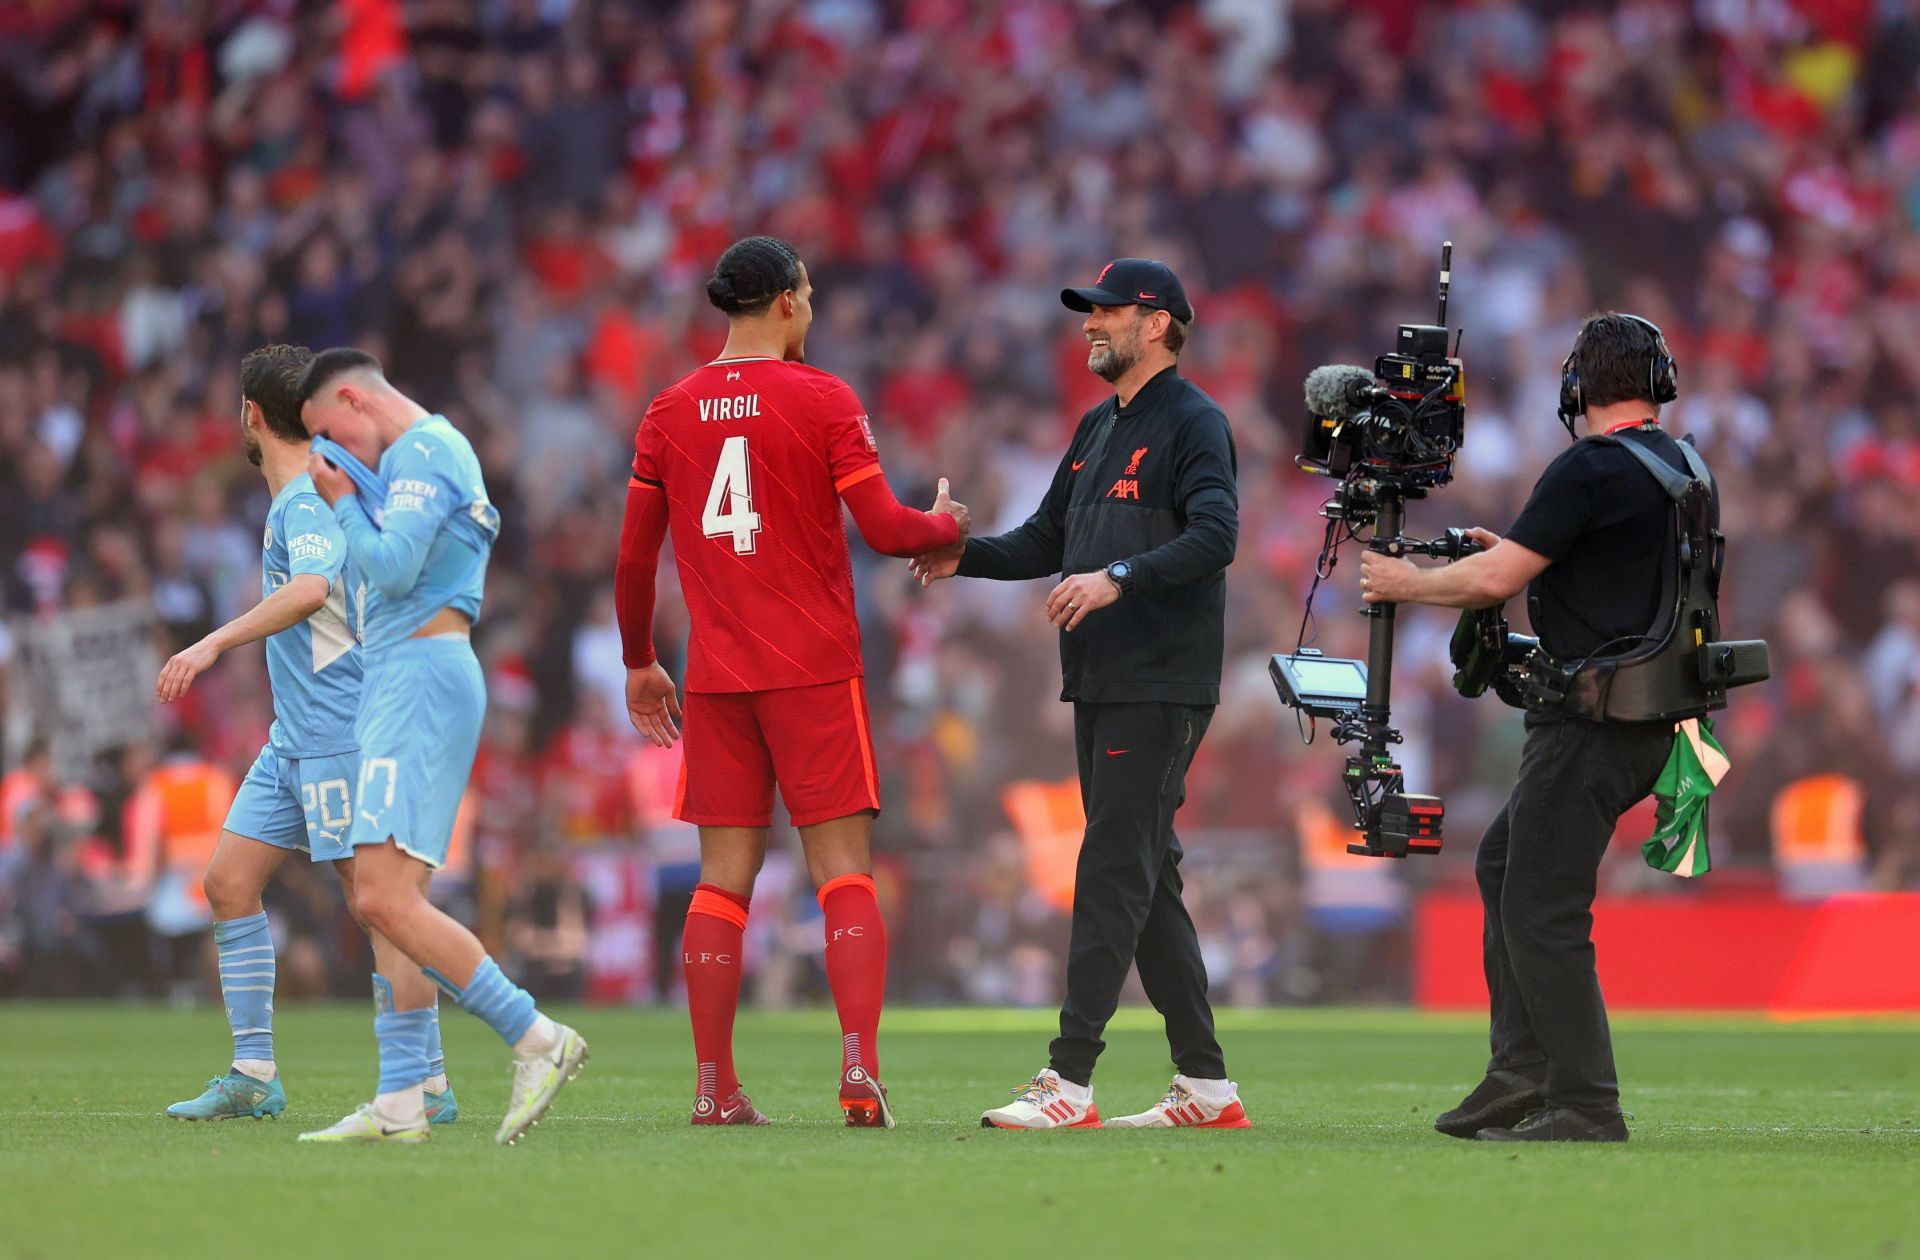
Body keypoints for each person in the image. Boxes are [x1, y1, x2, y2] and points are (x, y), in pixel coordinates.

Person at [615, 235, 967, 1128]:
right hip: (812, 668)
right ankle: (858, 1074)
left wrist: (638, 661)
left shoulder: (669, 408)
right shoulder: (823, 398)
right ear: (782, 302)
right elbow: (886, 529)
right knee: (843, 873)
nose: (810, 312)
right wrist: (944, 524)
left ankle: (712, 1089)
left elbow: (633, 557)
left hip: (718, 677)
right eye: (806, 297)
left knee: (721, 882)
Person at [910, 258, 1249, 1131]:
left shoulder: (1196, 422)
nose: (1090, 325)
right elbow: (1046, 537)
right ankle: (1207, 1087)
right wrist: (963, 554)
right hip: (1102, 679)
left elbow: (1217, 535)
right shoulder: (1099, 425)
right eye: (1088, 313)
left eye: (1108, 312)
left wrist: (1119, 578)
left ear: (1160, 322)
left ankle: (1068, 1081)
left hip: (1163, 680)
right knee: (1145, 874)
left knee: (1109, 866)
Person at [1357, 312, 1706, 1143]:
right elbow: (1605, 572)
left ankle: (1584, 1100)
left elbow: (1501, 578)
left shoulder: (1589, 467)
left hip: (1590, 719)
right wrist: (1503, 553)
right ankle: (1518, 1071)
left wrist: (1404, 579)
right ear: (1656, 380)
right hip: (1650, 718)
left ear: (1577, 386)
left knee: (1543, 909)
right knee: (1505, 862)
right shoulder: (1683, 466)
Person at [157, 344, 459, 1125]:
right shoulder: (332, 483)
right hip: (294, 738)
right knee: (228, 881)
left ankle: (425, 1081)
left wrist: (213, 642)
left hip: (337, 734)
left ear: (252, 416)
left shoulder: (301, 499)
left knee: (376, 906)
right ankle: (253, 1072)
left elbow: (313, 586)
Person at [297, 347, 585, 1146]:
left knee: (381, 897)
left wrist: (342, 503)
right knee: (395, 907)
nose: (336, 458)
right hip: (409, 676)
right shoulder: (415, 458)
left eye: (332, 436)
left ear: (355, 401)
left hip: (420, 679)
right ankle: (400, 1100)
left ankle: (535, 1037)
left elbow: (391, 568)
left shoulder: (426, 450)